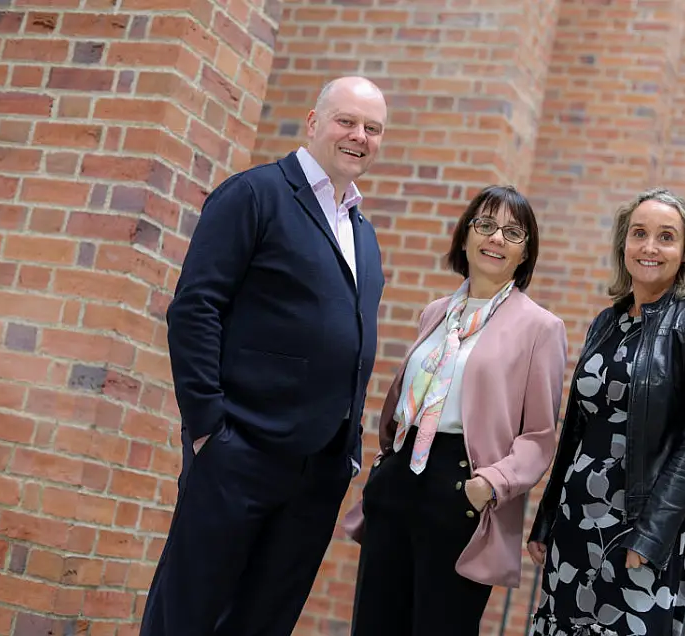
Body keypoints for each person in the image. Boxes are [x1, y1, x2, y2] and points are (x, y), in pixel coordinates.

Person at [139, 76, 388, 636]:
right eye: (346, 121)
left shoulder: (361, 231)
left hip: (318, 472)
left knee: (262, 624)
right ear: (313, 121)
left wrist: (345, 453)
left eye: (373, 128)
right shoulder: (255, 194)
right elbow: (195, 309)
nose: (359, 136)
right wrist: (209, 428)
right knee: (189, 614)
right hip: (239, 453)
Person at [342, 185, 568, 636]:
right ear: (465, 237)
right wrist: (386, 466)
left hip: (462, 492)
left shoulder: (540, 328)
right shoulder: (437, 313)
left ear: (526, 253)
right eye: (485, 225)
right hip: (399, 482)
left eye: (512, 232)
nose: (496, 238)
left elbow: (539, 436)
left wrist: (488, 485)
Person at [527, 187, 685, 636]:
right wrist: (547, 517)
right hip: (576, 516)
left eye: (666, 237)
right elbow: (577, 429)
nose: (650, 247)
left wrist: (651, 535)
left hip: (639, 528)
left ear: (684, 252)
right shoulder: (607, 322)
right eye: (639, 233)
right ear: (623, 243)